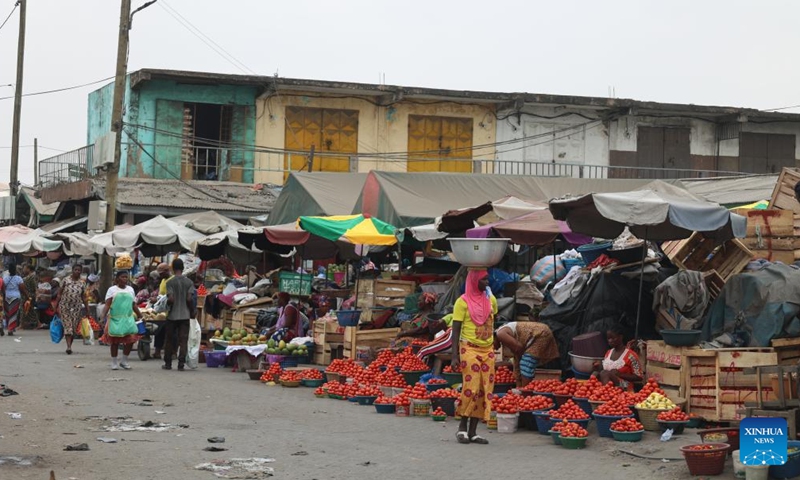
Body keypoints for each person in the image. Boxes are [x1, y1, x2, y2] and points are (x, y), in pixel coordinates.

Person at [451, 269, 498, 445]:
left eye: (487, 279)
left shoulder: (491, 300)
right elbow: (455, 330)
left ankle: (473, 432)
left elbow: (493, 322)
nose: (487, 283)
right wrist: (454, 355)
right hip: (469, 349)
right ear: (473, 281)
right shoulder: (461, 302)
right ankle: (462, 428)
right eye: (483, 280)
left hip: (488, 350)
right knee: (471, 387)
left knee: (484, 389)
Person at [494, 321, 560, 388]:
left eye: (492, 346)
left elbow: (519, 348)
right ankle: (522, 389)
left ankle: (526, 390)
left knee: (526, 363)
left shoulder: (500, 334)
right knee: (521, 364)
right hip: (540, 333)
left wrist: (520, 361)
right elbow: (517, 353)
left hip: (540, 334)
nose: (495, 349)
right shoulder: (501, 332)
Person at [100, 270, 142, 370]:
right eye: (123, 277)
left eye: (126, 277)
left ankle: (124, 360)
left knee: (131, 340)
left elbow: (133, 304)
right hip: (115, 318)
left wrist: (140, 315)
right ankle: (114, 362)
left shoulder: (130, 289)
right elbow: (107, 305)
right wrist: (102, 317)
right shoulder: (112, 290)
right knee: (114, 341)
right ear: (117, 279)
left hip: (128, 318)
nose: (125, 279)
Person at [163, 259, 195, 371]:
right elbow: (189, 299)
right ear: (182, 268)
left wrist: (166, 304)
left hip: (172, 316)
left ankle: (168, 363)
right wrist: (192, 311)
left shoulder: (169, 282)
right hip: (185, 315)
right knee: (183, 340)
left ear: (173, 268)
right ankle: (181, 364)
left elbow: (171, 298)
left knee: (169, 339)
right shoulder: (189, 282)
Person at [592, 325, 644, 391]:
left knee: (604, 373)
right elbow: (603, 372)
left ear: (620, 337)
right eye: (608, 338)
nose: (610, 341)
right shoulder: (608, 353)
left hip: (624, 388)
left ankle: (607, 395)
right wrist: (597, 368)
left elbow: (639, 377)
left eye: (613, 338)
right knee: (595, 374)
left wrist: (620, 374)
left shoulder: (631, 355)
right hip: (608, 386)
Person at [55, 265, 89, 355]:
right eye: (76, 270)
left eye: (79, 270)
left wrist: (87, 309)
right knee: (68, 327)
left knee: (73, 328)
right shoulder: (66, 280)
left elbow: (84, 297)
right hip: (64, 306)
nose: (77, 271)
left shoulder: (82, 283)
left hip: (76, 307)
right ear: (72, 270)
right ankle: (68, 347)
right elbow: (59, 293)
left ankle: (70, 345)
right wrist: (55, 306)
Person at [2, 263, 27, 336]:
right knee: (13, 313)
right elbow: (22, 288)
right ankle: (10, 329)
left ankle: (9, 327)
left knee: (7, 313)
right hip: (16, 297)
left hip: (7, 297)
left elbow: (3, 288)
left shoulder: (5, 278)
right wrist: (27, 296)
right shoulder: (18, 278)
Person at [20, 264, 39, 330]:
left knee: (25, 309)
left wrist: (36, 296)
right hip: (26, 295)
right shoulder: (29, 276)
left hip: (29, 295)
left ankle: (22, 325)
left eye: (24, 268)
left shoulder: (33, 276)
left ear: (28, 269)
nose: (23, 270)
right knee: (29, 310)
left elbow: (35, 287)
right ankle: (24, 324)